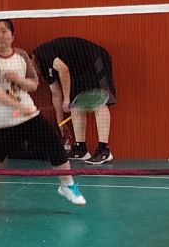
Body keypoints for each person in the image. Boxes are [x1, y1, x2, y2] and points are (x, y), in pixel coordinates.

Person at [0, 19, 87, 214]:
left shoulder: (22, 55)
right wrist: (19, 106)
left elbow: (34, 84)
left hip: (26, 117)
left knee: (53, 142)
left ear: (12, 36)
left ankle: (67, 185)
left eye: (4, 31)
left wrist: (18, 80)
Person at [31, 35, 115, 164]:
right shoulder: (43, 69)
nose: (32, 75)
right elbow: (56, 94)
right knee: (75, 104)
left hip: (94, 59)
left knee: (99, 102)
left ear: (30, 60)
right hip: (77, 69)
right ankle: (81, 149)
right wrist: (61, 123)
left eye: (29, 71)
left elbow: (63, 69)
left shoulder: (42, 52)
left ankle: (104, 150)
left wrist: (66, 99)